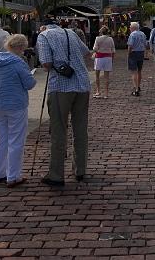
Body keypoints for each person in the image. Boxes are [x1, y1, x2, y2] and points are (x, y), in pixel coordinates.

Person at [36, 17, 92, 186]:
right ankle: (80, 170)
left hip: (61, 86)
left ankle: (56, 174)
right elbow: (86, 53)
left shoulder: (44, 36)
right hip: (82, 83)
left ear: (43, 26)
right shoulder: (72, 33)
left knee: (59, 129)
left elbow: (46, 63)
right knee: (80, 129)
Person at [0, 34, 36, 188]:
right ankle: (13, 176)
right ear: (20, 47)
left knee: (2, 139)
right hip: (15, 104)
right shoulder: (18, 63)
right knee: (16, 140)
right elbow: (29, 83)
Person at [92, 26, 115, 99]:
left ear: (101, 32)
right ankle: (106, 93)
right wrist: (112, 58)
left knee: (97, 75)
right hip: (108, 57)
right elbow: (113, 50)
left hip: (99, 58)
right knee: (106, 77)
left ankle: (98, 91)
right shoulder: (110, 39)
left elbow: (95, 49)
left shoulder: (98, 38)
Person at [126, 22, 146, 96]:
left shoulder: (132, 34)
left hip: (134, 53)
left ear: (133, 28)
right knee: (139, 70)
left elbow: (130, 45)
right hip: (141, 52)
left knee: (134, 71)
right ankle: (139, 85)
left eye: (130, 27)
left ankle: (136, 88)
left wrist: (128, 54)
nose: (129, 28)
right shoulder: (142, 34)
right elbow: (145, 44)